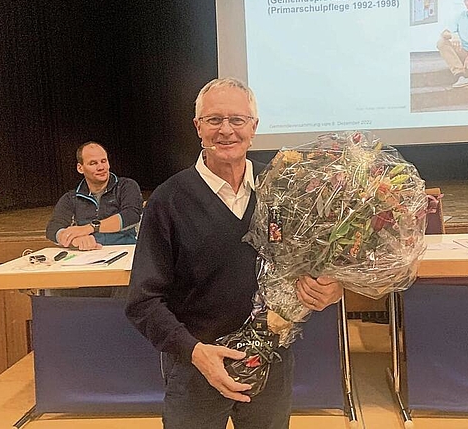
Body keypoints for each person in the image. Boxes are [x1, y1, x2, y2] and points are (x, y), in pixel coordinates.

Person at [125, 78, 342, 429]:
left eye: (237, 120)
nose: (226, 130)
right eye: (214, 120)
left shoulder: (284, 193)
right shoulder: (168, 200)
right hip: (196, 369)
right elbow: (143, 301)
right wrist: (195, 353)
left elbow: (318, 267)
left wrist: (333, 289)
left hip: (270, 367)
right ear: (198, 128)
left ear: (254, 127)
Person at [46, 141, 143, 250]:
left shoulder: (126, 186)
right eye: (93, 163)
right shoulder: (71, 198)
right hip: (88, 255)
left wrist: (91, 228)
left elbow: (131, 215)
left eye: (103, 161)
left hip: (125, 251)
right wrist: (73, 239)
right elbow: (53, 228)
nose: (101, 167)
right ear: (80, 168)